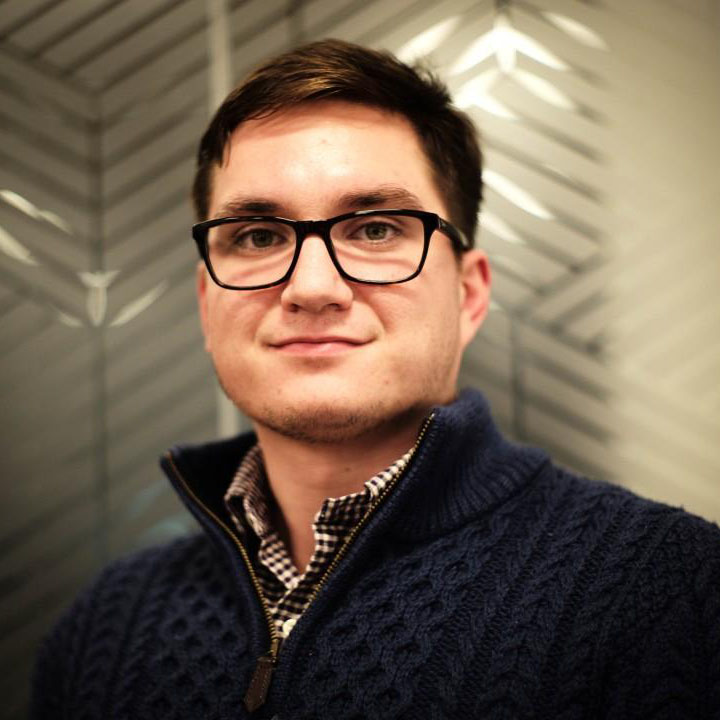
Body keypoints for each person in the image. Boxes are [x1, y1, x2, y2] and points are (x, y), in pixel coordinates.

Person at [31, 39, 720, 720]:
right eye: (259, 236)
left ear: (469, 295)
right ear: (208, 302)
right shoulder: (103, 629)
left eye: (376, 229)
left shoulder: (669, 588)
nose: (312, 287)